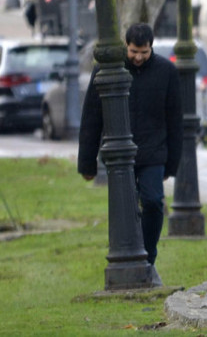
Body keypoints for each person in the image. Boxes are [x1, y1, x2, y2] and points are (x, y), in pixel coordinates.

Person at [77, 23, 183, 286]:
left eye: (144, 52)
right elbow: (91, 116)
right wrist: (87, 163)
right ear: (126, 46)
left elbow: (175, 120)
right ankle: (128, 259)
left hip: (153, 152)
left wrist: (173, 163)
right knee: (125, 209)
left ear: (151, 48)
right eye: (134, 51)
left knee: (154, 201)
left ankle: (148, 259)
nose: (138, 57)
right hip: (118, 154)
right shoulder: (108, 69)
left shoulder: (166, 72)